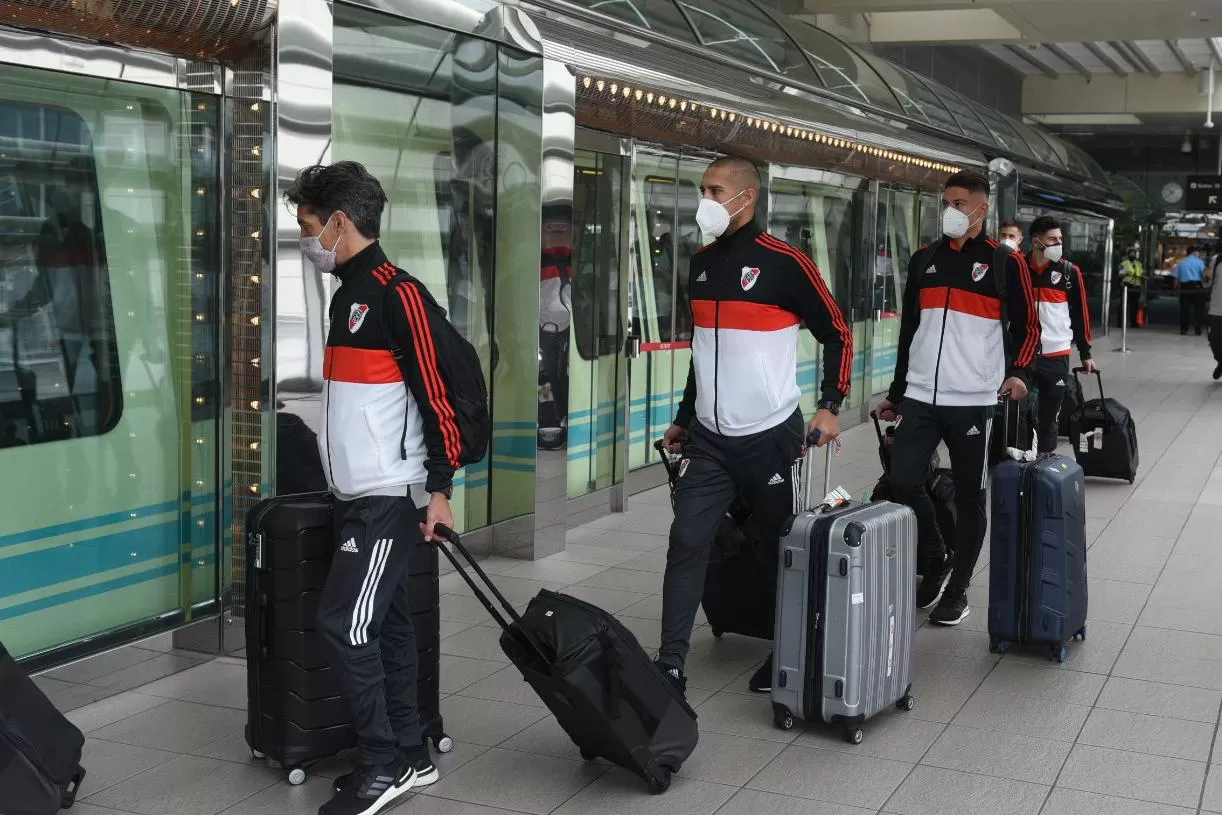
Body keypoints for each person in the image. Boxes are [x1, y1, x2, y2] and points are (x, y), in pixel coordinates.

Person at [286, 161, 459, 815]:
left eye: (308, 226)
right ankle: (410, 755)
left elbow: (436, 396)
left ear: (339, 222)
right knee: (384, 627)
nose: (306, 240)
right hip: (352, 493)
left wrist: (438, 489)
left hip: (388, 495)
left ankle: (383, 766)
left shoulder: (397, 293)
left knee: (344, 624)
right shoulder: (345, 293)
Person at [657, 155, 853, 696]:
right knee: (687, 540)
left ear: (746, 197)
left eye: (715, 191)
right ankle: (670, 663)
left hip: (771, 437)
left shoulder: (785, 262)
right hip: (710, 441)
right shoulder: (699, 264)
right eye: (703, 190)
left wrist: (831, 404)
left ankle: (789, 649)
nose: (706, 201)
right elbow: (706, 352)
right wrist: (683, 417)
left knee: (778, 548)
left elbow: (838, 330)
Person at [876, 169, 1040, 625]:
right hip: (922, 397)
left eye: (959, 203)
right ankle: (936, 554)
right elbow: (911, 330)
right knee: (903, 479)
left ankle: (959, 589)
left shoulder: (1005, 263)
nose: (949, 210)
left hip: (973, 398)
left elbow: (1029, 328)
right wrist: (897, 391)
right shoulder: (923, 259)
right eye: (945, 202)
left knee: (970, 496)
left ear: (981, 209)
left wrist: (1020, 372)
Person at [1025, 216, 1095, 455]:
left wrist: (1085, 353)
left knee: (1050, 413)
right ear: (1036, 242)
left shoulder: (1069, 272)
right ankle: (1017, 459)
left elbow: (1081, 314)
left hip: (1056, 353)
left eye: (1060, 239)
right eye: (1052, 239)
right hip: (1023, 352)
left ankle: (1044, 460)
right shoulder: (1018, 267)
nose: (1058, 244)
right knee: (1018, 409)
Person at [1173, 246, 1208, 336]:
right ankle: (1197, 328)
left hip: (1185, 287)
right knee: (1198, 308)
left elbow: (1176, 278)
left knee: (1184, 309)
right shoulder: (1200, 262)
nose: (1199, 254)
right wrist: (1205, 283)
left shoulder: (1181, 263)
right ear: (1194, 253)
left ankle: (1184, 329)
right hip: (1197, 286)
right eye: (1198, 252)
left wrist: (1175, 289)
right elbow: (1204, 275)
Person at [1119, 246, 1145, 328]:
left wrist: (1143, 277)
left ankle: (1134, 323)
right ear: (1128, 254)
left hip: (1136, 285)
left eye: (1134, 253)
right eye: (1131, 253)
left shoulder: (1139, 264)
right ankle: (1120, 323)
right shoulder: (1124, 263)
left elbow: (1141, 273)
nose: (1133, 254)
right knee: (1123, 305)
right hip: (1127, 285)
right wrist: (1126, 272)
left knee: (1135, 306)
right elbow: (1120, 273)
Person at [1206, 253, 1222, 380]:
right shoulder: (1216, 259)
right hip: (1217, 309)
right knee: (1214, 340)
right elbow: (1207, 282)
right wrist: (1206, 275)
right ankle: (1220, 361)